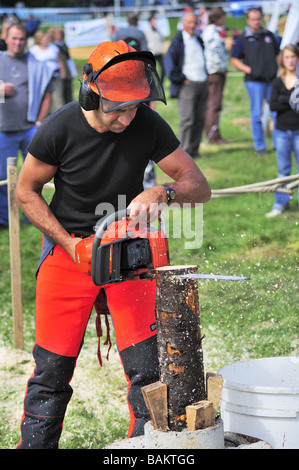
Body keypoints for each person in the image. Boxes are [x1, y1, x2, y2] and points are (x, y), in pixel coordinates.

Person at [15, 40, 211, 449]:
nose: (126, 117)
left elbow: (199, 185)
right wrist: (69, 246)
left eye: (134, 107)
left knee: (148, 372)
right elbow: (26, 191)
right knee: (50, 374)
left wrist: (165, 193)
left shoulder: (147, 124)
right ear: (91, 93)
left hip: (128, 252)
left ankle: (143, 449)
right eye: (116, 108)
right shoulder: (59, 128)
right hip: (69, 253)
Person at [0, 23, 53, 229]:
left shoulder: (36, 64)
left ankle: (32, 218)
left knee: (36, 177)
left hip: (30, 129)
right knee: (3, 177)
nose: (18, 42)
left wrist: (39, 123)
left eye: (21, 39)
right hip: (3, 130)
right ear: (6, 38)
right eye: (14, 38)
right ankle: (5, 219)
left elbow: (47, 94)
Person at [231, 7, 280, 155]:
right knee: (257, 114)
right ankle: (260, 146)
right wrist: (249, 70)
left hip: (272, 79)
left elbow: (278, 54)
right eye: (253, 19)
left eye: (258, 18)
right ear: (248, 20)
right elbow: (234, 59)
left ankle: (279, 144)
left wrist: (277, 69)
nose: (256, 22)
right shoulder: (242, 39)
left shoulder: (270, 36)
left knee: (276, 112)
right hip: (254, 81)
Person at [164, 12, 208, 158]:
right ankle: (184, 154)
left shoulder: (198, 38)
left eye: (194, 22)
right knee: (187, 119)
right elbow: (169, 65)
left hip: (202, 82)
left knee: (200, 119)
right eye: (189, 22)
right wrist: (181, 79)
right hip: (188, 85)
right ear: (183, 24)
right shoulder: (177, 42)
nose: (192, 25)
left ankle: (194, 150)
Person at [266, 44, 299, 217]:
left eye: (293, 56)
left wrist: (283, 99)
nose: (290, 60)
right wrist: (291, 99)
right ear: (282, 60)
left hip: (298, 131)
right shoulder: (277, 81)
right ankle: (280, 204)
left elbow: (282, 103)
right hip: (282, 132)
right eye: (287, 57)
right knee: (283, 171)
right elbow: (273, 104)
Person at [202, 7, 228, 144]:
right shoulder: (211, 33)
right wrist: (221, 68)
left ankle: (214, 133)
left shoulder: (211, 31)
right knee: (214, 104)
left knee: (214, 104)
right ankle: (213, 136)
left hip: (215, 71)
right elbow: (214, 54)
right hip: (215, 72)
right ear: (218, 17)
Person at [30, 29, 65, 112]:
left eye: (47, 38)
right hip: (41, 78)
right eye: (44, 38)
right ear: (39, 39)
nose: (46, 39)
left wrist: (63, 73)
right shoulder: (33, 50)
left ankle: (58, 116)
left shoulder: (53, 48)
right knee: (43, 98)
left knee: (57, 98)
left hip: (55, 76)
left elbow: (59, 61)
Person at [48, 26, 76, 104]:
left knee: (69, 94)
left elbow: (68, 59)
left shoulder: (63, 45)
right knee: (59, 95)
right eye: (56, 33)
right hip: (59, 73)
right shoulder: (52, 46)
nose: (59, 35)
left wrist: (72, 72)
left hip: (67, 72)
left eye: (60, 33)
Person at [144, 13, 165, 85]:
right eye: (153, 21)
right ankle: (151, 84)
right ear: (150, 22)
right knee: (150, 70)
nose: (154, 22)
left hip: (159, 53)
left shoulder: (158, 31)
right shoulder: (147, 32)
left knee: (164, 68)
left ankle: (160, 84)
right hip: (152, 54)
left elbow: (162, 40)